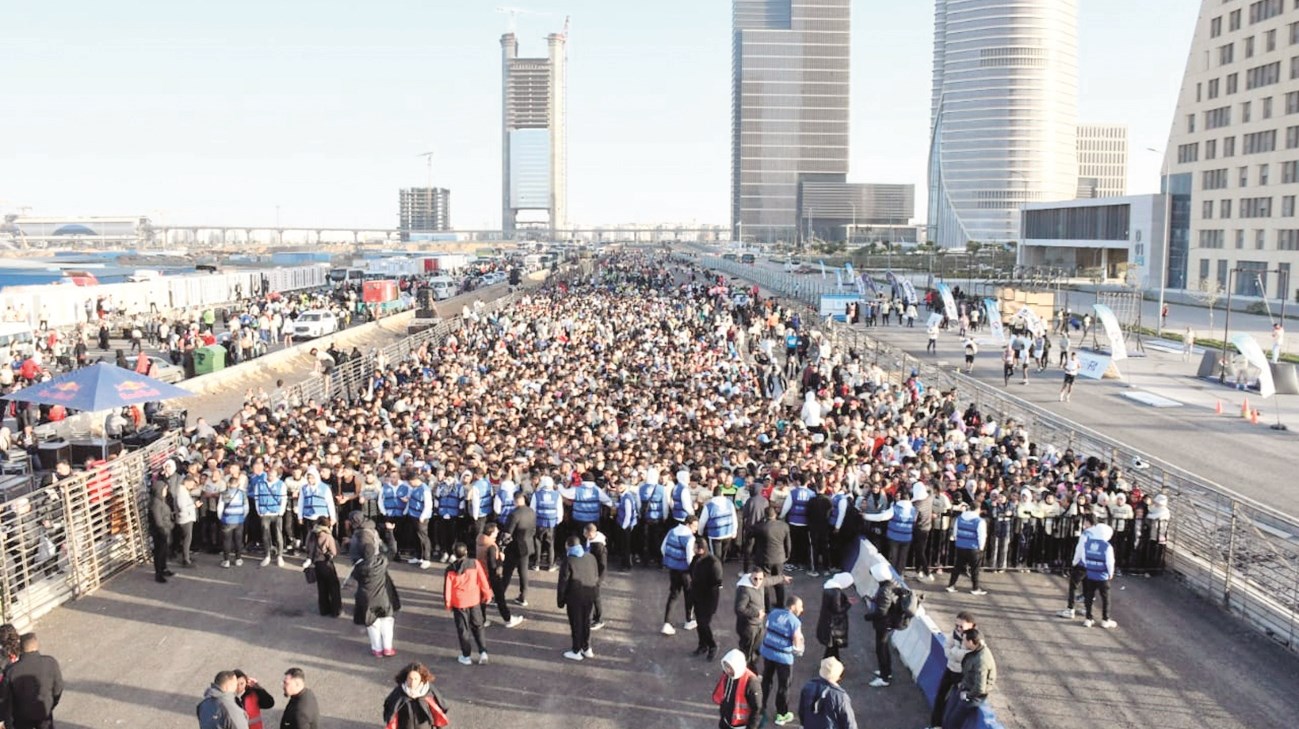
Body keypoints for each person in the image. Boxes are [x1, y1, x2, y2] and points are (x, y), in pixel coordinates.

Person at [352, 516, 400, 658]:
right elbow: (392, 550)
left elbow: (356, 577)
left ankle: (376, 649)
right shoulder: (382, 562)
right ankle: (388, 648)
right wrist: (390, 532)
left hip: (367, 598)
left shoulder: (359, 567)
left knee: (372, 624)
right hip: (383, 597)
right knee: (387, 622)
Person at [443, 541, 493, 665]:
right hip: (474, 600)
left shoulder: (450, 569)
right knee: (478, 626)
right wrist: (487, 594)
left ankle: (466, 656)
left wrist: (448, 604)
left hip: (459, 603)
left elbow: (447, 589)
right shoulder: (474, 563)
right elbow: (482, 580)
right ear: (466, 552)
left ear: (454, 554)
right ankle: (483, 652)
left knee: (463, 629)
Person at [758, 595, 804, 727]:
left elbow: (767, 628)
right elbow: (797, 640)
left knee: (766, 680)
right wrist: (798, 649)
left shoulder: (774, 613)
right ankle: (781, 714)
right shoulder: (795, 622)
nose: (802, 610)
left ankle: (760, 707)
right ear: (793, 606)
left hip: (768, 651)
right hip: (783, 657)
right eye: (800, 607)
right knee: (784, 686)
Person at [3, 633, 63, 729]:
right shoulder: (50, 663)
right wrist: (51, 704)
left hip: (21, 717)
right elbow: (58, 687)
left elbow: (6, 698)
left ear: (21, 649)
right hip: (44, 711)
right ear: (37, 645)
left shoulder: (11, 670)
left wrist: (7, 720)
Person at [556, 534, 600, 661]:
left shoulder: (568, 561)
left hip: (574, 598)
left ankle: (576, 650)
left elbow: (563, 583)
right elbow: (596, 576)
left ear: (567, 546)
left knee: (576, 624)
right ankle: (587, 648)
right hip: (590, 595)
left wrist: (560, 601)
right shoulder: (591, 557)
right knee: (586, 622)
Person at [942, 629, 996, 729]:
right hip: (966, 686)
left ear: (971, 642)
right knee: (949, 711)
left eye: (964, 640)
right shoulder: (976, 651)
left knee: (954, 721)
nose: (963, 642)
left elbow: (980, 688)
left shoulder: (981, 660)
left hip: (972, 696)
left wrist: (967, 695)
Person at [930, 611, 975, 729]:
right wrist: (956, 653)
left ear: (971, 626)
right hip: (950, 669)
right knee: (940, 695)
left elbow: (969, 656)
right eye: (957, 626)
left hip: (962, 675)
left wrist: (954, 652)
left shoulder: (974, 639)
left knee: (955, 703)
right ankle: (936, 725)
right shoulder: (954, 633)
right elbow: (946, 649)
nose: (958, 629)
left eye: (962, 626)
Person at [660, 514, 698, 635]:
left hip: (673, 569)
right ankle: (688, 620)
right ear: (688, 524)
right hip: (685, 572)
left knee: (673, 595)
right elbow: (689, 558)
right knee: (689, 596)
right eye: (694, 526)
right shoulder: (689, 538)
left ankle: (667, 623)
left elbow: (663, 548)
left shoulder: (672, 531)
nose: (696, 529)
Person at [382, 662, 450, 729]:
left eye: (416, 679)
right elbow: (390, 707)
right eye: (410, 678)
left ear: (421, 679)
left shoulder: (429, 691)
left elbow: (438, 709)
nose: (412, 682)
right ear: (405, 678)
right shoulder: (399, 692)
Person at [749, 507, 792, 611]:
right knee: (779, 580)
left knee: (764, 582)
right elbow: (788, 543)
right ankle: (780, 603)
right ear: (775, 514)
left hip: (764, 558)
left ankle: (766, 606)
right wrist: (787, 555)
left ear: (765, 515)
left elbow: (750, 534)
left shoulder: (760, 527)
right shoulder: (784, 526)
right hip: (779, 558)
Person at [797, 657, 858, 729]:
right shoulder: (840, 696)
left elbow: (802, 712)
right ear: (837, 676)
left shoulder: (808, 687)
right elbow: (849, 722)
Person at [689, 537, 724, 660]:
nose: (692, 549)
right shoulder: (696, 559)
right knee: (700, 623)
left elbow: (717, 582)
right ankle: (702, 645)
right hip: (697, 596)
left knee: (704, 624)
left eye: (695, 547)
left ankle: (712, 645)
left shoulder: (713, 562)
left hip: (708, 599)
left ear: (701, 549)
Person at [863, 562, 896, 688]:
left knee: (881, 649)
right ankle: (886, 671)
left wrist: (868, 617)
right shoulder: (890, 585)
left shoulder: (884, 590)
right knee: (884, 648)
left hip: (884, 625)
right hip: (887, 624)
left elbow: (882, 611)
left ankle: (884, 677)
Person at [1079, 523, 1118, 629]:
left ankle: (1088, 618)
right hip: (1102, 576)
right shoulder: (1107, 546)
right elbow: (1110, 561)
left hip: (1090, 574)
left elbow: (1083, 557)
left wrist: (1089, 567)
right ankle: (1105, 619)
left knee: (1089, 596)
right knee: (1105, 598)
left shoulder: (1087, 543)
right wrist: (1111, 572)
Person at [946, 501, 988, 596]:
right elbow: (982, 536)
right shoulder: (979, 521)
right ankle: (975, 588)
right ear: (978, 509)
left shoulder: (960, 518)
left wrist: (958, 540)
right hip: (973, 547)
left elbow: (955, 532)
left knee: (957, 567)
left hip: (960, 546)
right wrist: (981, 548)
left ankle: (951, 585)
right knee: (975, 569)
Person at [713, 648, 762, 729]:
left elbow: (757, 709)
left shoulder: (751, 681)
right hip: (726, 722)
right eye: (726, 666)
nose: (728, 670)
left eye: (730, 667)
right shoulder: (727, 676)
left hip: (741, 726)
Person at [501, 491, 535, 604]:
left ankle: (500, 596)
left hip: (514, 547)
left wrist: (502, 545)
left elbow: (507, 534)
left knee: (507, 572)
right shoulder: (531, 511)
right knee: (523, 571)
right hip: (527, 545)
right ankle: (523, 596)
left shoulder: (514, 514)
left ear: (515, 500)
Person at [305, 517, 341, 617]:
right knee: (334, 587)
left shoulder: (311, 534)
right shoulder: (327, 536)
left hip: (316, 564)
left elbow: (307, 548)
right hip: (326, 563)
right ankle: (335, 611)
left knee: (322, 587)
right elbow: (334, 552)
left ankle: (324, 610)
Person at [815, 572, 854, 661]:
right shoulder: (836, 592)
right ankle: (830, 664)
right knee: (832, 647)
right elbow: (838, 610)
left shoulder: (828, 587)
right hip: (833, 625)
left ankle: (835, 662)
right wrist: (848, 604)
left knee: (832, 647)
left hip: (826, 622)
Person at [733, 566, 767, 667]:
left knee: (756, 650)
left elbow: (770, 580)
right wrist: (756, 613)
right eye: (755, 579)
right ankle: (747, 675)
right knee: (747, 653)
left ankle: (750, 672)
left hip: (758, 626)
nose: (758, 581)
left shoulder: (760, 583)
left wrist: (782, 578)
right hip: (748, 628)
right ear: (750, 577)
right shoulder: (745, 590)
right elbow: (739, 609)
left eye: (760, 579)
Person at [699, 486, 738, 562]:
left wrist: (700, 532)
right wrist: (734, 531)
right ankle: (720, 567)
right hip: (728, 533)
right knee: (723, 554)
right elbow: (734, 518)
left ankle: (716, 571)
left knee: (716, 557)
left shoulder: (709, 506)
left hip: (715, 535)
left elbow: (702, 521)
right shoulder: (729, 503)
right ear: (722, 494)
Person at [582, 522, 608, 630]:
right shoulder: (593, 540)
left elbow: (602, 565)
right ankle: (594, 617)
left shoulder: (598, 547)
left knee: (596, 597)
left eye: (584, 533)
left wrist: (598, 580)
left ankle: (599, 619)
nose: (583, 534)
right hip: (591, 573)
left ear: (590, 534)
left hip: (596, 576)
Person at [149, 473, 175, 583]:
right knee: (159, 552)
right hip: (160, 531)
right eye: (164, 489)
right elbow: (157, 519)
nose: (165, 491)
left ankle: (164, 568)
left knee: (164, 551)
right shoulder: (156, 503)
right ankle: (158, 573)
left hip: (166, 529)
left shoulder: (162, 501)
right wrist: (162, 530)